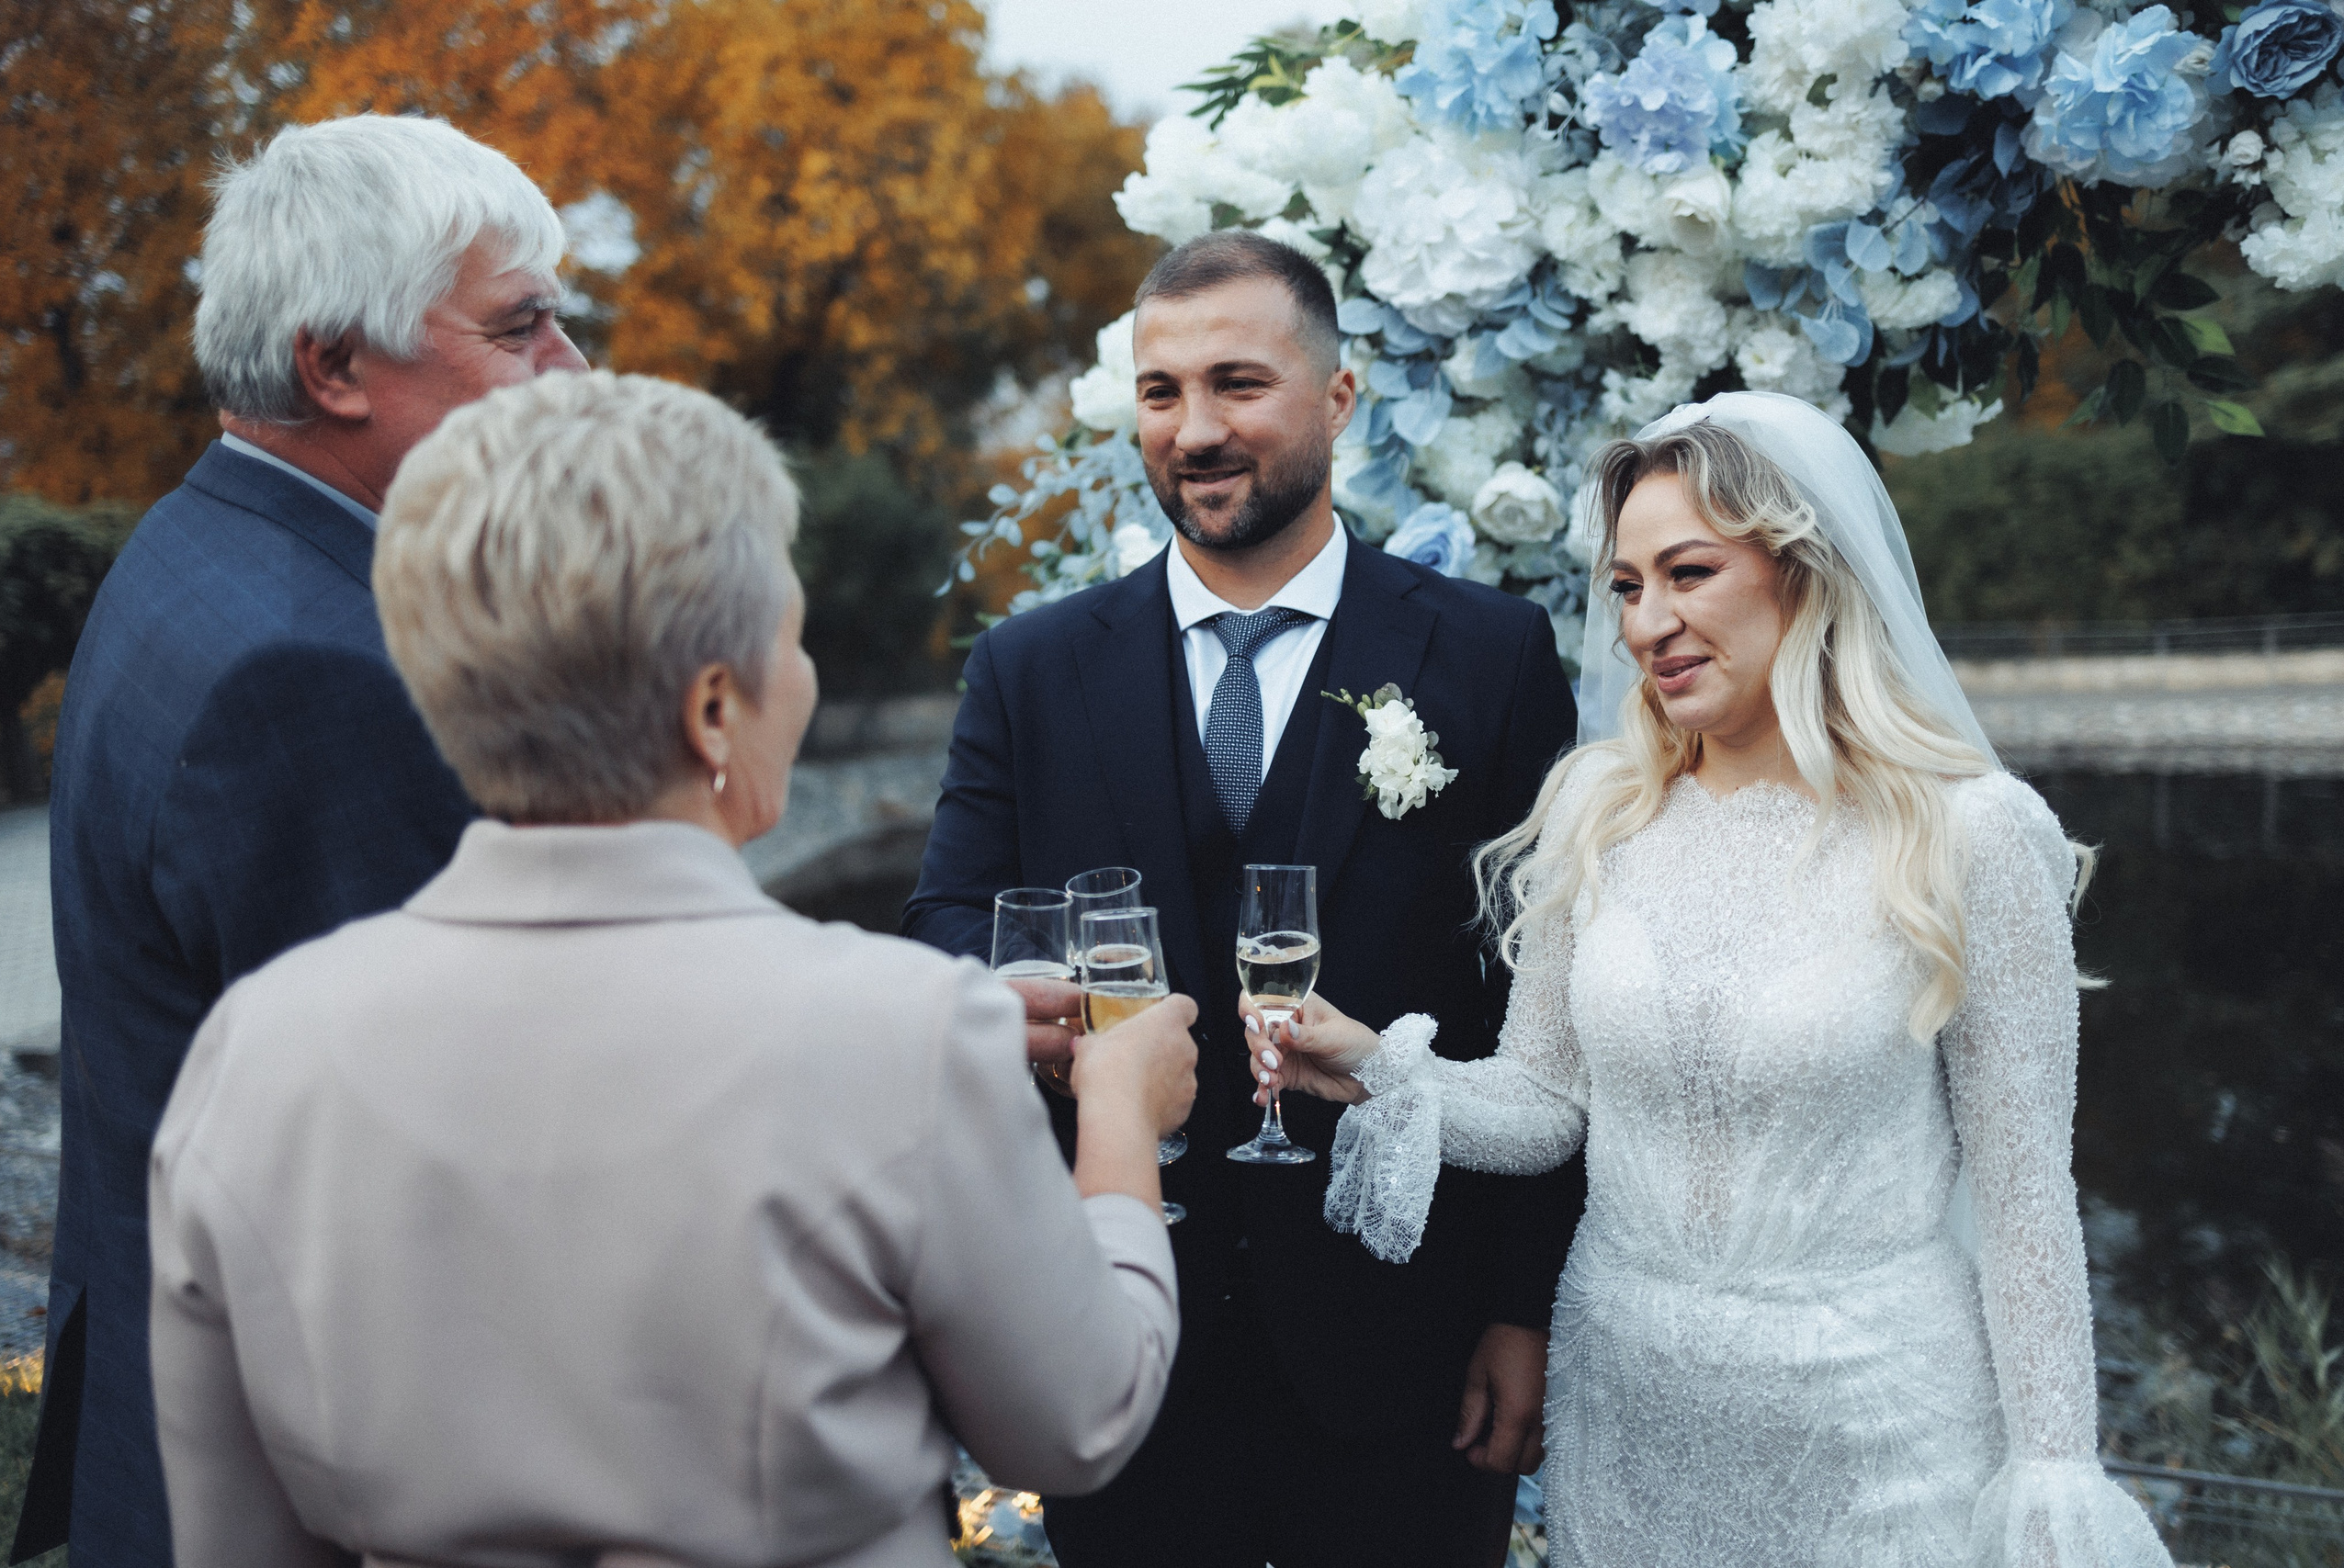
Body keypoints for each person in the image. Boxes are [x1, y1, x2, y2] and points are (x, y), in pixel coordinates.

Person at [145, 368, 1196, 1567]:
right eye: (792, 642)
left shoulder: (259, 1046)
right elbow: (1078, 1420)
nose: (800, 682)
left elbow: (234, 1537)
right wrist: (1118, 1117)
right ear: (712, 708)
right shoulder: (904, 1033)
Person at [1247, 390, 2177, 1567]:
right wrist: (1376, 1064)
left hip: (1881, 1436)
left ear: (1804, 571)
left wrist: (2054, 1472)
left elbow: (2025, 1194)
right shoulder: (1601, 808)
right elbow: (1543, 1105)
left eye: (1688, 572)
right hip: (1629, 1419)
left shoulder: (1968, 835)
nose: (1647, 624)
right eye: (1629, 587)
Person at [902, 230, 1584, 1568]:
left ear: (1338, 398)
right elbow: (945, 926)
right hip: (1121, 1332)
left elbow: (1539, 1011)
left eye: (1237, 384)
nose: (1194, 429)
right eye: (1161, 393)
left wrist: (1523, 1307)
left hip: (1408, 1346)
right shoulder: (1029, 668)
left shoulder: (1491, 656)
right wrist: (1016, 1005)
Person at [25, 114, 591, 1564]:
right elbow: (426, 1190)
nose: (572, 372)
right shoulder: (328, 672)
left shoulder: (196, 547)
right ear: (334, 364)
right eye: (519, 326)